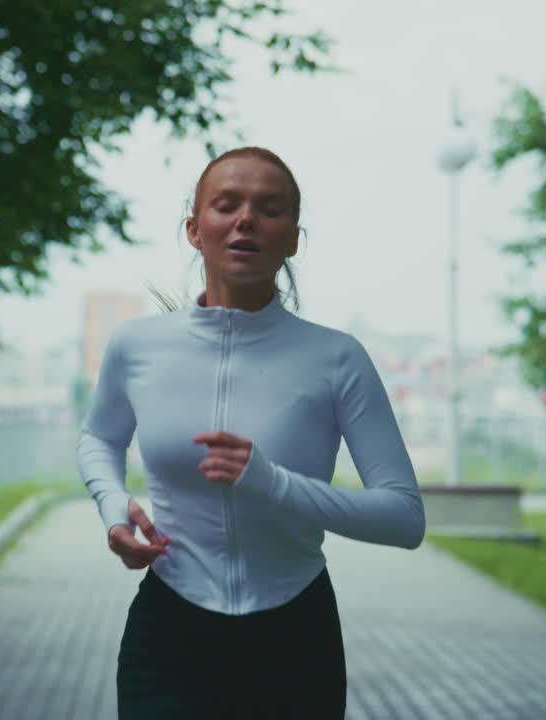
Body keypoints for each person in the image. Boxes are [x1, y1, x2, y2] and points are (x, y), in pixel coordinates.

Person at [76, 146, 426, 719]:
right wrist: (114, 510)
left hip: (294, 635)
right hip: (170, 630)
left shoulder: (336, 358)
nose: (246, 220)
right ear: (194, 229)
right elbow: (99, 438)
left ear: (292, 238)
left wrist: (273, 482)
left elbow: (405, 518)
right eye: (227, 204)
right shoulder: (138, 346)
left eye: (270, 208)